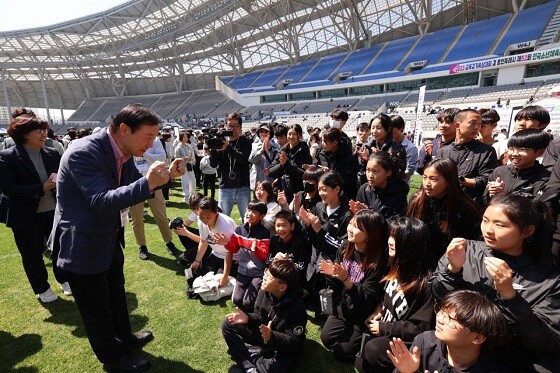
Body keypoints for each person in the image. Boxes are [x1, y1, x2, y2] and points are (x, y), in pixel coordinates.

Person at [52, 104, 185, 371]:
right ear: (124, 129)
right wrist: (149, 182)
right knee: (96, 309)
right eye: (147, 137)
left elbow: (136, 187)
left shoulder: (122, 153)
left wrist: (167, 176)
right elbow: (101, 201)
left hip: (108, 237)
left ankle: (124, 337)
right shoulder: (83, 152)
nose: (151, 144)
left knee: (115, 293)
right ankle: (113, 359)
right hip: (83, 244)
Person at [430, 194, 560, 372]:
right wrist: (452, 270)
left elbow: (546, 339)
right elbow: (439, 297)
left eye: (500, 225)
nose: (488, 230)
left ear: (527, 231)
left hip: (507, 362)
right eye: (485, 220)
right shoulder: (465, 250)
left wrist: (510, 296)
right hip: (453, 353)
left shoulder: (546, 279)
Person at [0, 108, 68, 303]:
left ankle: (64, 279)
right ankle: (42, 288)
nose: (43, 134)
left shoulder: (51, 152)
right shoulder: (7, 156)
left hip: (53, 210)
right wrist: (41, 187)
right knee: (32, 254)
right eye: (37, 130)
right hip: (25, 214)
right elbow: (8, 188)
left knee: (60, 248)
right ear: (23, 135)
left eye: (44, 129)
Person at [355, 217, 435, 373]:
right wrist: (379, 309)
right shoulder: (395, 263)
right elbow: (386, 294)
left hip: (404, 340)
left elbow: (419, 329)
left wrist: (384, 328)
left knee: (372, 349)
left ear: (410, 245)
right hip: (385, 327)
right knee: (360, 361)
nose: (390, 241)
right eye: (390, 236)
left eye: (396, 238)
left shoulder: (426, 285)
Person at [319, 210, 388, 362]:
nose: (350, 228)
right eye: (350, 223)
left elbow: (367, 299)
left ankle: (363, 336)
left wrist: (346, 280)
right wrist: (332, 275)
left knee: (342, 353)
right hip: (343, 309)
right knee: (326, 339)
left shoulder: (377, 262)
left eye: (356, 227)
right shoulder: (345, 247)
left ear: (370, 234)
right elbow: (336, 287)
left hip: (361, 314)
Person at [387, 290, 509, 373]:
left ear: (477, 338)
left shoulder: (495, 367)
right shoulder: (424, 343)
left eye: (450, 318)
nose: (439, 318)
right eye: (441, 310)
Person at [221, 258, 307, 373]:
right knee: (228, 323)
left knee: (274, 369)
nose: (265, 276)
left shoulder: (297, 308)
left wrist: (272, 337)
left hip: (282, 346)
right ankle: (250, 367)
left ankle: (251, 354)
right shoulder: (264, 290)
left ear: (282, 287)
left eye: (270, 276)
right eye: (267, 271)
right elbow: (258, 315)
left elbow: (293, 343)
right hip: (264, 334)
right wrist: (248, 318)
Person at [299, 171, 352, 318]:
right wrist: (307, 224)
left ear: (337, 189)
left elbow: (342, 247)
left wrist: (319, 230)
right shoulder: (318, 207)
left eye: (325, 189)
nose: (321, 193)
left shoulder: (346, 215)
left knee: (326, 306)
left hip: (332, 261)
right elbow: (310, 237)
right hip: (315, 256)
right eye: (320, 188)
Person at [407, 158, 481, 261]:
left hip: (451, 262)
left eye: (433, 179)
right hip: (420, 259)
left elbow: (470, 244)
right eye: (424, 177)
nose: (427, 183)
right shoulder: (417, 200)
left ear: (449, 181)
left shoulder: (466, 208)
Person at [130, 137, 180, 260]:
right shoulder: (130, 140)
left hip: (154, 183)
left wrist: (143, 152)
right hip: (134, 184)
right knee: (137, 219)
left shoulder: (155, 140)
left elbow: (161, 158)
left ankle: (169, 242)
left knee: (161, 215)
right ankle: (142, 246)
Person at [215, 201, 270, 313]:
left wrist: (256, 249)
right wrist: (226, 243)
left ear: (262, 216)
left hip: (257, 272)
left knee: (247, 303)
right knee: (236, 299)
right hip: (242, 271)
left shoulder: (264, 232)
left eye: (254, 211)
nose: (249, 213)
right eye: (248, 210)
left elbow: (264, 255)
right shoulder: (240, 229)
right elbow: (234, 249)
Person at [436, 109, 497, 205]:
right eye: (472, 123)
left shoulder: (486, 151)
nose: (477, 127)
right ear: (457, 125)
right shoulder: (443, 151)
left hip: (470, 206)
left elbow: (486, 179)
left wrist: (460, 180)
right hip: (443, 203)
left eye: (479, 124)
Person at [486, 129, 551, 201]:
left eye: (522, 149)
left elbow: (541, 208)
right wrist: (492, 193)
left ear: (539, 153)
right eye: (511, 149)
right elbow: (484, 201)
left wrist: (504, 197)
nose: (514, 154)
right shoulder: (499, 171)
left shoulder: (546, 178)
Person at [188, 197, 238, 288]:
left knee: (218, 282)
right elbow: (203, 241)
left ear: (216, 213)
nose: (204, 220)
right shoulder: (201, 220)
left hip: (232, 258)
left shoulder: (225, 227)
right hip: (216, 254)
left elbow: (229, 252)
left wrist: (225, 276)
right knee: (202, 277)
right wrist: (197, 261)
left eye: (208, 217)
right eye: (201, 216)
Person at [210, 112, 252, 219]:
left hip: (243, 187)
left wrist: (227, 148)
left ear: (240, 127)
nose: (232, 128)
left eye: (235, 126)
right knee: (222, 220)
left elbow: (243, 159)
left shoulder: (245, 141)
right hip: (225, 188)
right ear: (225, 126)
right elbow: (213, 164)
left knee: (247, 219)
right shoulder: (221, 141)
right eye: (229, 125)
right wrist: (214, 150)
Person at [351, 151, 409, 220]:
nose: (370, 175)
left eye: (375, 171)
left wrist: (370, 215)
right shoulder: (364, 190)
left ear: (388, 172)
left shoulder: (398, 193)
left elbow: (396, 224)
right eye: (368, 170)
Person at [267, 123, 312, 203]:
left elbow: (304, 174)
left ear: (300, 136)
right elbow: (271, 171)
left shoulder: (304, 151)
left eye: (294, 134)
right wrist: (282, 164)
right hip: (282, 191)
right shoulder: (282, 150)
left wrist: (286, 164)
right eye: (289, 134)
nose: (291, 137)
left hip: (298, 192)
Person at [316, 127, 358, 199]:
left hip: (343, 197)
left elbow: (350, 182)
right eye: (322, 141)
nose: (322, 144)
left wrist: (331, 173)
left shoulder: (348, 157)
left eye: (325, 142)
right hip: (325, 193)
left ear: (335, 143)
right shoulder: (321, 153)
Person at [416, 108, 459, 175]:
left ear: (457, 124)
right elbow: (419, 170)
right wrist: (427, 156)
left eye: (448, 122)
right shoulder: (430, 144)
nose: (443, 125)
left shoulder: (460, 146)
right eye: (441, 122)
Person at [249, 123, 278, 191]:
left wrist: (270, 149)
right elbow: (252, 160)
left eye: (266, 131)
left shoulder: (276, 146)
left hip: (271, 179)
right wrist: (261, 151)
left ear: (270, 133)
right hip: (258, 178)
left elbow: (275, 161)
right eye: (261, 131)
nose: (263, 133)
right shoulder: (254, 145)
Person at [390, 115, 418, 184]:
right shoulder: (386, 144)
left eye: (392, 128)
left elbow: (410, 170)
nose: (389, 131)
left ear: (401, 128)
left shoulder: (411, 148)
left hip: (400, 186)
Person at [175, 131, 196, 203]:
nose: (185, 138)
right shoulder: (178, 147)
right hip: (183, 166)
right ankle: (186, 196)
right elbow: (176, 158)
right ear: (181, 138)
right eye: (184, 137)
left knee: (192, 180)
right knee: (185, 181)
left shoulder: (189, 146)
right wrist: (185, 158)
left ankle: (192, 195)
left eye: (186, 137)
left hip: (190, 165)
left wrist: (191, 159)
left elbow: (192, 155)